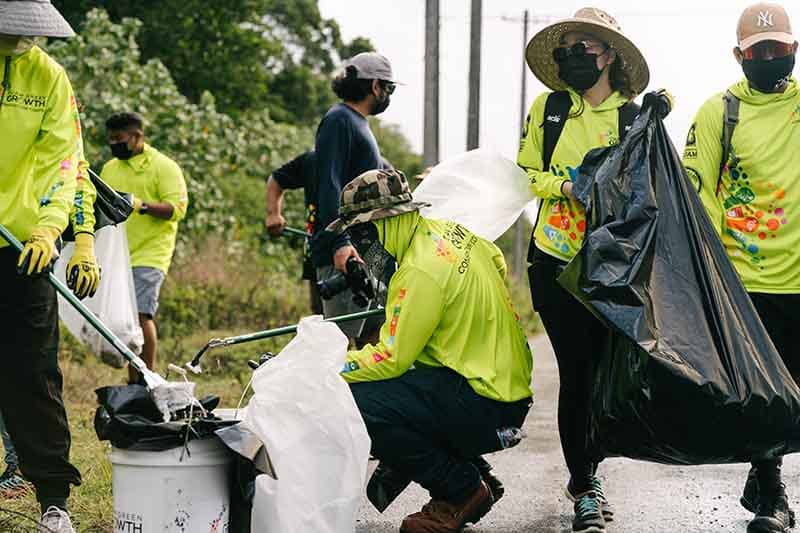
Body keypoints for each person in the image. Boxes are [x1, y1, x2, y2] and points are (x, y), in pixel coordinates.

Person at [518, 7, 666, 532]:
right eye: (567, 50)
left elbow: (649, 194)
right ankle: (584, 482)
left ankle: (591, 465)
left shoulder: (632, 117)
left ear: (610, 57)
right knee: (577, 375)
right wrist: (564, 186)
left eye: (583, 48)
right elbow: (525, 172)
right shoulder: (550, 109)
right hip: (554, 262)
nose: (572, 58)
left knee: (609, 375)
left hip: (613, 269)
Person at [330, 169, 533, 533]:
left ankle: (461, 489)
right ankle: (476, 475)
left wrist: (328, 367)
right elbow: (497, 260)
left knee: (356, 402)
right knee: (406, 388)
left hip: (484, 401)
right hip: (503, 388)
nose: (361, 246)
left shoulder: (419, 272)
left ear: (389, 221)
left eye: (362, 232)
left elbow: (390, 358)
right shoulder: (451, 233)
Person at [683, 3, 799, 532]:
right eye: (760, 52)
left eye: (780, 50)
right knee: (762, 398)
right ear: (740, 55)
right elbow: (696, 189)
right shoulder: (717, 113)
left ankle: (762, 476)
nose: (771, 58)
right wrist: (712, 272)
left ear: (795, 51)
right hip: (745, 282)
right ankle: (772, 492)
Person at [0, 0, 85, 530]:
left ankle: (53, 499)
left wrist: (51, 228)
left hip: (23, 248)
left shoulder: (50, 77)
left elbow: (65, 160)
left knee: (34, 375)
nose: (20, 40)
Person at [312, 51, 397, 342]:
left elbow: (374, 173)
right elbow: (329, 183)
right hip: (347, 250)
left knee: (380, 328)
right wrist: (340, 243)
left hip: (368, 247)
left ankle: (367, 389)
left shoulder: (359, 124)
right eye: (390, 88)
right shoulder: (339, 120)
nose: (388, 95)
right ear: (375, 86)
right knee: (340, 342)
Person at [101, 112, 188, 384]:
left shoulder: (164, 167)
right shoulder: (110, 169)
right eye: (111, 139)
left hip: (151, 253)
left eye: (120, 138)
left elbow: (177, 209)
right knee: (122, 318)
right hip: (118, 253)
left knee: (141, 314)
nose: (114, 144)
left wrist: (141, 205)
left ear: (138, 136)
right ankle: (135, 378)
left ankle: (144, 379)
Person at [265, 150, 323, 314]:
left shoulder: (366, 159)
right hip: (318, 254)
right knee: (322, 323)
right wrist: (273, 214)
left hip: (359, 257)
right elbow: (276, 180)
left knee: (369, 327)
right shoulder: (312, 160)